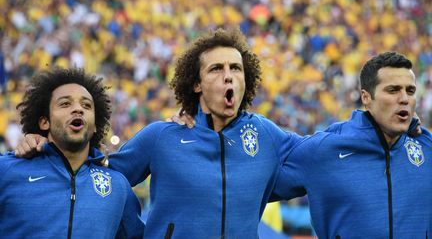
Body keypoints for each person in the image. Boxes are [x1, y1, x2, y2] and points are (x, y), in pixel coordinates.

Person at [14, 28, 303, 238]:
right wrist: (44, 146)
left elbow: (318, 159)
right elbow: (95, 175)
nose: (228, 75)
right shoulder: (162, 136)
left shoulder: (265, 134)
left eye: (236, 68)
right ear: (196, 84)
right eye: (216, 68)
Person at [270, 51, 432, 238]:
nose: (404, 98)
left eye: (410, 91)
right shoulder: (326, 149)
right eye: (393, 90)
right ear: (366, 98)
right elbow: (250, 187)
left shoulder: (426, 149)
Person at [0, 67, 144, 238]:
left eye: (86, 105)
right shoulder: (7, 171)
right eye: (65, 103)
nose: (78, 109)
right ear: (44, 121)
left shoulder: (118, 186)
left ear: (96, 125)